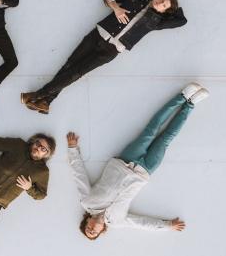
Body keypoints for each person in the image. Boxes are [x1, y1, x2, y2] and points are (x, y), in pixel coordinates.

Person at [66, 83, 209, 240]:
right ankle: (190, 104)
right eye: (94, 232)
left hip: (126, 161)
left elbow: (79, 176)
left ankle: (182, 96)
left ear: (87, 220)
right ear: (102, 231)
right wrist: (168, 225)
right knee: (167, 138)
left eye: (88, 228)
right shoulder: (117, 221)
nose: (92, 228)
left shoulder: (87, 202)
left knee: (152, 129)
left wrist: (72, 149)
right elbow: (142, 223)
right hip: (144, 172)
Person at [21, 0, 187, 114]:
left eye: (164, 6)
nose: (160, 3)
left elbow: (181, 20)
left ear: (164, 11)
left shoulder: (157, 21)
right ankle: (46, 102)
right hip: (97, 35)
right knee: (69, 66)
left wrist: (171, 7)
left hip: (111, 50)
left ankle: (37, 95)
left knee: (77, 72)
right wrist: (116, 8)